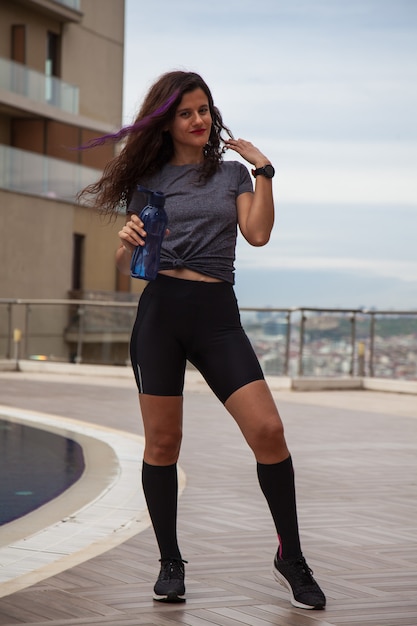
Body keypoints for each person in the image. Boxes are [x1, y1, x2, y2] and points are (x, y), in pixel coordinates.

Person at [80, 70, 326, 611]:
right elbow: (131, 267)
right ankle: (170, 560)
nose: (198, 120)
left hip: (217, 315)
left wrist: (264, 171)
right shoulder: (149, 180)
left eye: (204, 110)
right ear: (166, 121)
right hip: (162, 312)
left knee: (268, 429)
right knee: (163, 444)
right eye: (186, 112)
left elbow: (257, 234)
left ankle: (292, 557)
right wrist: (125, 243)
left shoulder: (233, 174)